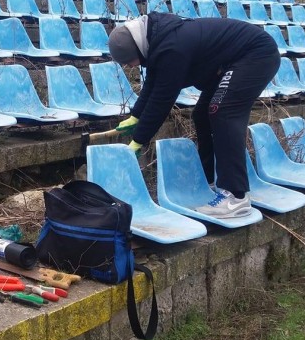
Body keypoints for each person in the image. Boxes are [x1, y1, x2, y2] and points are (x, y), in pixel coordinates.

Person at [107, 12, 280, 219]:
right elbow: (153, 83)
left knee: (223, 113)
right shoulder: (158, 41)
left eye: (128, 61)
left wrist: (139, 140)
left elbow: (162, 100)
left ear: (137, 49)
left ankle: (235, 197)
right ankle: (210, 180)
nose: (129, 66)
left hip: (256, 55)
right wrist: (136, 116)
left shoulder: (172, 48)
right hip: (232, 61)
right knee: (202, 115)